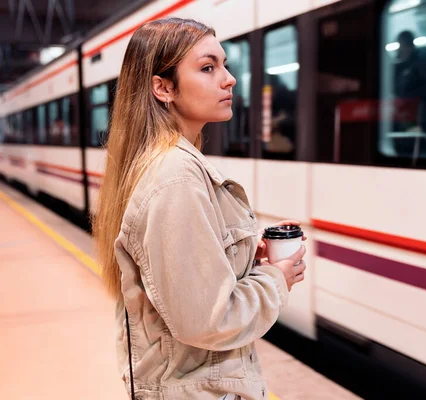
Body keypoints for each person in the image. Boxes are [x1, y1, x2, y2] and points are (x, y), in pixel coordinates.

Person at [92, 18, 307, 400]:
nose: (229, 79)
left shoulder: (165, 163)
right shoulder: (175, 177)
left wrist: (241, 254)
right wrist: (277, 278)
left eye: (224, 65)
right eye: (208, 68)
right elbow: (210, 320)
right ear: (163, 88)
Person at [393, 30, 426, 138]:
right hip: (406, 119)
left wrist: (409, 97)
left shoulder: (423, 60)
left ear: (408, 46)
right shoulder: (400, 67)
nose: (398, 50)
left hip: (423, 119)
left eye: (400, 45)